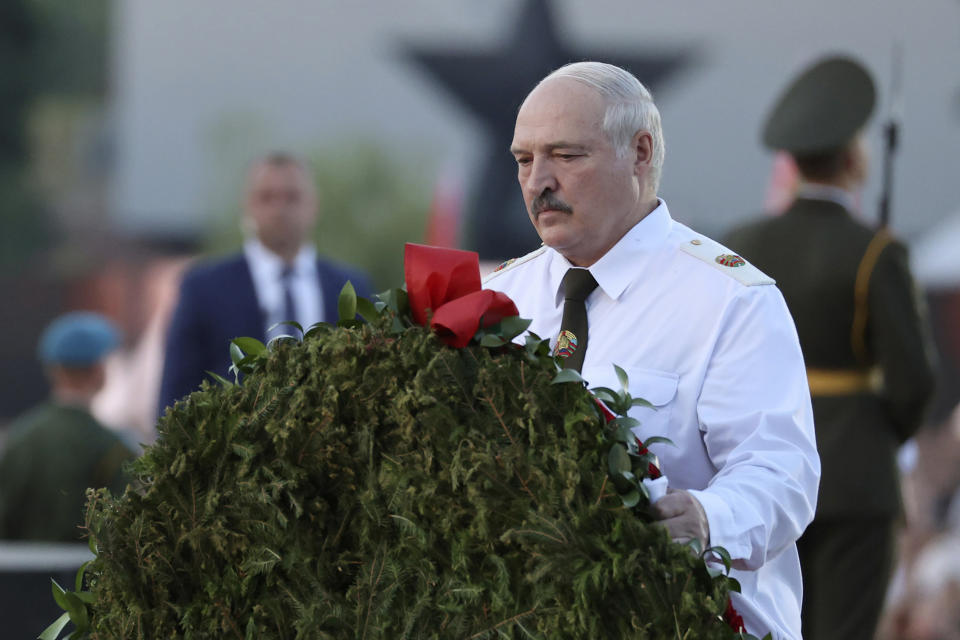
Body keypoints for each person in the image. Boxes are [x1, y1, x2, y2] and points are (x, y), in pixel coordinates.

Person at [483, 61, 819, 639]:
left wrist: (708, 518)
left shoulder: (729, 300)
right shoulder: (498, 298)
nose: (539, 180)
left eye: (566, 156)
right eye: (523, 160)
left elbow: (781, 473)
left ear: (640, 154)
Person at [723, 55, 936, 640]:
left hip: (754, 469)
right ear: (851, 157)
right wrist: (879, 433)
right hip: (854, 477)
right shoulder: (875, 252)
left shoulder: (739, 243)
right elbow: (913, 380)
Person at [158, 152, 373, 414]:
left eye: (292, 197)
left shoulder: (349, 288)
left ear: (314, 205)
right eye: (267, 197)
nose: (279, 209)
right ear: (247, 204)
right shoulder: (204, 288)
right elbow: (174, 399)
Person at [0, 312, 136, 542]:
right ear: (99, 369)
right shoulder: (111, 446)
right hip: (86, 575)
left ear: (53, 369)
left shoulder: (19, 439)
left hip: (18, 574)